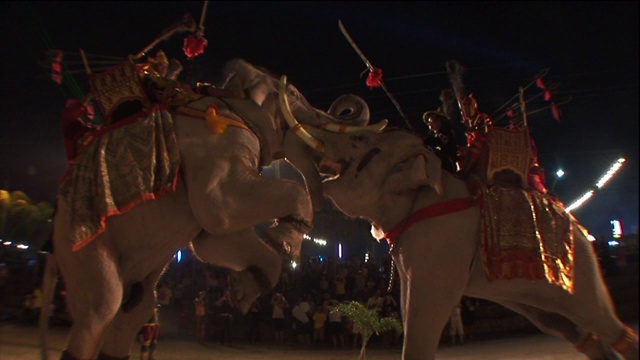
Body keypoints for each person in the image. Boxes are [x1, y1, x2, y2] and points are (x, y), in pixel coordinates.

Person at [422, 109, 459, 173]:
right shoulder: (435, 135)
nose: (430, 125)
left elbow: (435, 141)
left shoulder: (445, 134)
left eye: (432, 122)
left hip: (449, 163)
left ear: (439, 121)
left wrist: (421, 141)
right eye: (429, 123)